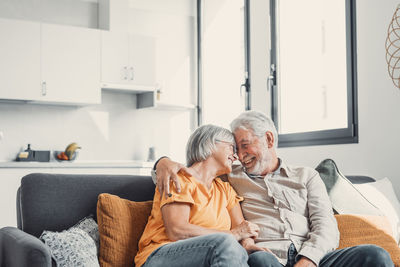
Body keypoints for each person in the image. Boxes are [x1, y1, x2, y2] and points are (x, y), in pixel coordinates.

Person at [154, 111, 394, 267]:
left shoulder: (307, 176)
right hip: (268, 258)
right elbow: (195, 170)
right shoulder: (229, 177)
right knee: (260, 261)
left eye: (245, 145)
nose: (239, 155)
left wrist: (308, 259)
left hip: (312, 258)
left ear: (269, 140)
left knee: (375, 255)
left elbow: (326, 226)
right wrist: (160, 162)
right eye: (235, 148)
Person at [135, 124, 268, 267]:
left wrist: (247, 244)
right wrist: (233, 235)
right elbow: (177, 230)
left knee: (261, 259)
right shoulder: (179, 178)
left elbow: (242, 227)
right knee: (226, 243)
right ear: (210, 144)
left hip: (210, 256)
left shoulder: (225, 190)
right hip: (160, 255)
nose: (236, 156)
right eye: (232, 147)